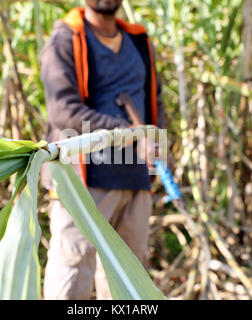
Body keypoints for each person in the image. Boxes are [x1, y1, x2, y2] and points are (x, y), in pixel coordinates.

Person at [40, 0, 165, 299]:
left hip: (134, 181)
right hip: (81, 183)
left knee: (127, 283)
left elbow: (154, 101)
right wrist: (125, 131)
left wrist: (155, 139)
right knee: (71, 279)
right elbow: (63, 111)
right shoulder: (64, 40)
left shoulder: (139, 41)